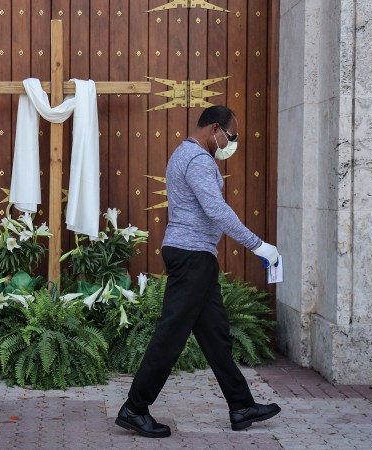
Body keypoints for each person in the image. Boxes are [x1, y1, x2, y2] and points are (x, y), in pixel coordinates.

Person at [115, 105, 281, 438]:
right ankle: (134, 408)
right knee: (171, 335)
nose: (230, 144)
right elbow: (216, 211)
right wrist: (259, 245)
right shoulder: (198, 160)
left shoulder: (183, 154)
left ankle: (241, 405)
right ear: (215, 129)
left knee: (215, 334)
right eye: (230, 137)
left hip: (196, 256)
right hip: (191, 256)